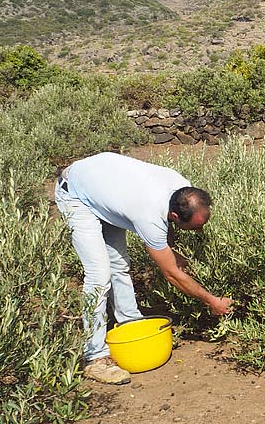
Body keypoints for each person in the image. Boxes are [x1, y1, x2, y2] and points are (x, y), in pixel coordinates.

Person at [55, 152, 234, 385]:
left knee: (119, 264)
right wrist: (213, 301)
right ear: (175, 214)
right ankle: (95, 357)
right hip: (76, 194)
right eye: (195, 227)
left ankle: (129, 321)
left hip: (106, 186)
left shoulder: (181, 188)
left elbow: (166, 224)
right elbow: (171, 274)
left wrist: (170, 250)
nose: (199, 232)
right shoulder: (147, 213)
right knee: (99, 275)